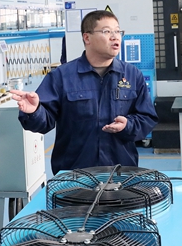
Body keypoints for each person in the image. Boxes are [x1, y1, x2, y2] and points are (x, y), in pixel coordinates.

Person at [11, 10, 158, 175]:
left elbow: (147, 118)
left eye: (118, 31)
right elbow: (44, 122)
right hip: (74, 175)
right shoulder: (62, 76)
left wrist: (128, 125)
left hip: (121, 172)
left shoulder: (132, 75)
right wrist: (35, 111)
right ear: (87, 38)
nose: (115, 37)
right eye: (107, 31)